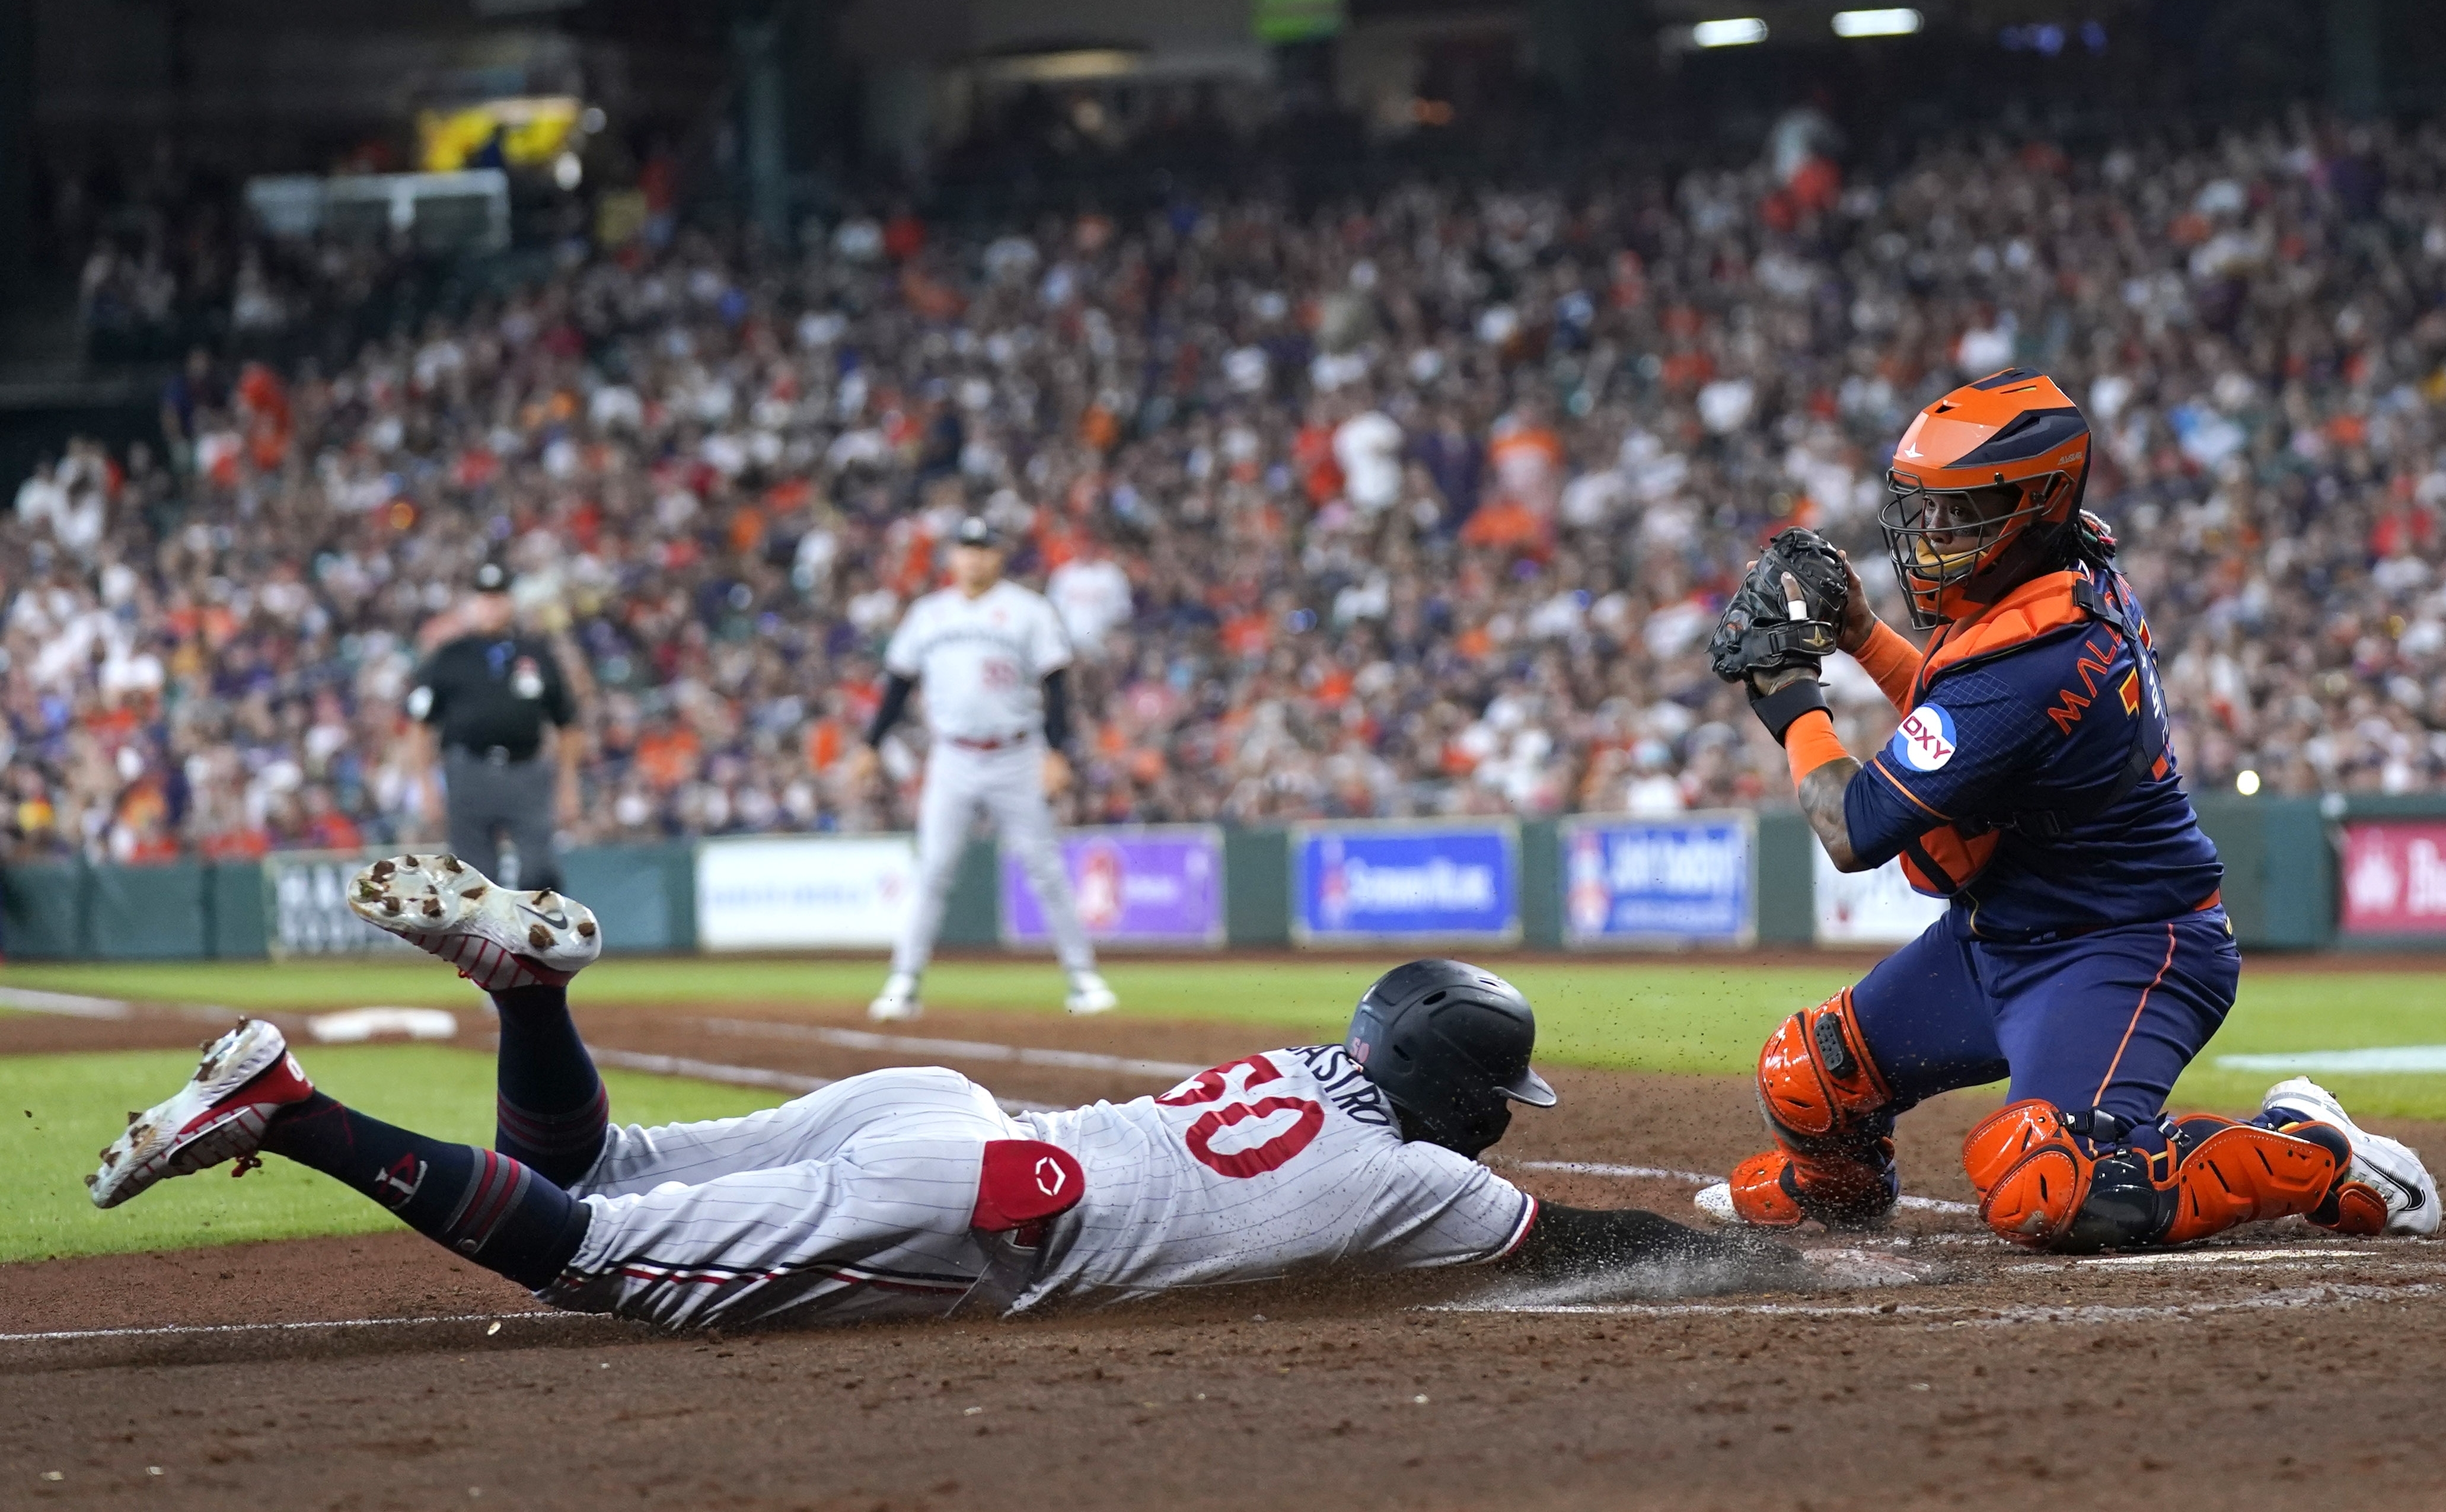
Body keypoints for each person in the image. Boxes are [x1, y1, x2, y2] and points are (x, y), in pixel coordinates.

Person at [88, 862, 1793, 1329]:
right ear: (1453, 1090)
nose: (1506, 1121)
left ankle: (531, 989)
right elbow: (1589, 1234)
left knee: (599, 1167)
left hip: (948, 1111)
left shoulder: (1302, 1065)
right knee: (600, 1262)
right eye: (1503, 1095)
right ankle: (293, 1107)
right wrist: (1765, 1247)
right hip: (974, 1210)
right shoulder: (1415, 1185)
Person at [1700, 368, 2441, 1251]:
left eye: (1959, 511)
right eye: (1927, 509)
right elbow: (1964, 723)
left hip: (2120, 948)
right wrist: (1860, 631)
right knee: (1807, 1077)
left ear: (2037, 503)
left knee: (2044, 1185)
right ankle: (1840, 1196)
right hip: (2002, 936)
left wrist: (1784, 692)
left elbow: (1852, 826)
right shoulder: (2053, 582)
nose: (1931, 534)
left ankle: (2317, 1153)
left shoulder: (2041, 655)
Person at [846, 516, 1112, 1020]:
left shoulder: (1027, 610)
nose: (974, 557)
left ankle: (1083, 977)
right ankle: (904, 981)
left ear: (998, 557)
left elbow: (1056, 686)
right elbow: (898, 684)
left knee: (1045, 869)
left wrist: (1055, 752)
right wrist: (869, 744)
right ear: (952, 558)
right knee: (933, 868)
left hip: (1016, 753)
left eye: (984, 549)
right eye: (966, 548)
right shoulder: (929, 614)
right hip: (953, 757)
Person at [404, 563, 583, 892]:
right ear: (471, 604)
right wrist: (426, 785)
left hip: (527, 772)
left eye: (498, 597)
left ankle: (537, 944)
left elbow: (567, 722)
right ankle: (485, 947)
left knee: (538, 873)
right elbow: (420, 724)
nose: (491, 606)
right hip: (469, 772)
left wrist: (568, 784)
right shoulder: (449, 656)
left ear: (511, 602)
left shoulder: (536, 654)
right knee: (474, 881)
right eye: (484, 598)